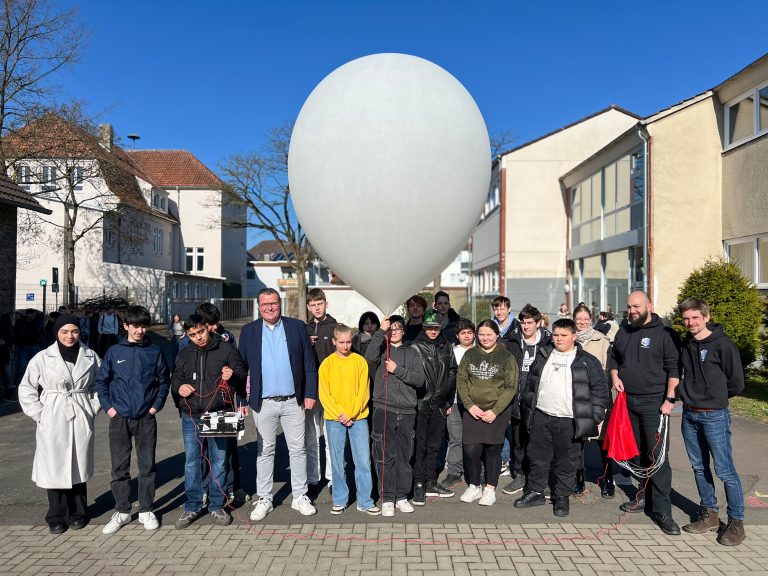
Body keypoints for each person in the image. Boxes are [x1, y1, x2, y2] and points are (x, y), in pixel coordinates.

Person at [514, 318, 609, 517]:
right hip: (542, 415)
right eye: (556, 334)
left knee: (566, 461)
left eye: (564, 335)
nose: (558, 339)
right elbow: (531, 382)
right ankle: (535, 492)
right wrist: (526, 406)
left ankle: (562, 497)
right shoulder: (544, 354)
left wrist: (595, 416)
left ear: (574, 337)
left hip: (570, 420)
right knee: (537, 457)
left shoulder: (587, 361)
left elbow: (600, 391)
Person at [238, 288, 318, 521]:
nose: (269, 308)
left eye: (273, 303)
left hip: (294, 401)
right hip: (264, 403)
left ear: (279, 304)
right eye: (265, 305)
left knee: (298, 449)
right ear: (259, 306)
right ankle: (264, 498)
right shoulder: (249, 331)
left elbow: (308, 363)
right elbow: (241, 368)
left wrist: (310, 392)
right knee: (264, 451)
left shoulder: (296, 327)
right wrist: (242, 399)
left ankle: (300, 496)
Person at [18, 313, 101, 534]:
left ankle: (79, 513)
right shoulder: (42, 358)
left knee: (78, 463)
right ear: (56, 333)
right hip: (53, 414)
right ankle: (56, 515)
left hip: (80, 411)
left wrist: (92, 408)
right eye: (64, 331)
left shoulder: (91, 356)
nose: (69, 336)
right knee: (54, 465)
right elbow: (26, 388)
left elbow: (101, 385)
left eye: (73, 331)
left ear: (79, 331)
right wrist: (39, 413)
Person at [608, 290, 681, 535]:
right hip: (628, 403)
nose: (632, 311)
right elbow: (613, 357)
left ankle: (662, 510)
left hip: (655, 404)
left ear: (649, 305)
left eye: (636, 306)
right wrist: (615, 376)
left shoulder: (666, 334)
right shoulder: (624, 331)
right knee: (636, 455)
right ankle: (643, 497)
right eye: (629, 307)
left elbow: (674, 368)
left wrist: (670, 399)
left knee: (657, 458)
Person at [96, 305, 171, 535]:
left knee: (147, 466)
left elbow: (163, 382)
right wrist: (109, 409)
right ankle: (122, 509)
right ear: (126, 326)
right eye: (135, 326)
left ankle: (146, 509)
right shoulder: (114, 352)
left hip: (145, 418)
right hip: (118, 418)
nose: (140, 331)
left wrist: (154, 407)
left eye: (143, 326)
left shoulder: (154, 352)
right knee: (119, 467)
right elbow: (102, 382)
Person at [677, 298, 746, 546]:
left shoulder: (723, 345)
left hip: (714, 415)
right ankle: (710, 514)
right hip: (689, 414)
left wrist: (715, 398)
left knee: (725, 471)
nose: (690, 322)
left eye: (695, 317)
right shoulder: (685, 345)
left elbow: (736, 382)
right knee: (698, 467)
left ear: (706, 317)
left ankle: (736, 522)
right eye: (686, 318)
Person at [171, 314, 247, 529]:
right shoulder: (184, 353)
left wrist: (233, 374)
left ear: (208, 328)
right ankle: (193, 505)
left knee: (220, 460)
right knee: (192, 462)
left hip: (219, 414)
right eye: (192, 335)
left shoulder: (227, 349)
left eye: (201, 332)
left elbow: (242, 375)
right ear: (188, 335)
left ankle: (216, 505)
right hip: (191, 416)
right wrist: (179, 388)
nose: (198, 338)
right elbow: (175, 378)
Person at [364, 315, 425, 517]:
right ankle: (387, 498)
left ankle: (401, 496)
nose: (395, 331)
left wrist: (397, 370)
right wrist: (381, 331)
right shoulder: (382, 349)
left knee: (404, 456)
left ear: (404, 331)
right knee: (384, 455)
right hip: (384, 408)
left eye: (398, 328)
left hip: (407, 410)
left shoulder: (413, 353)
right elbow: (369, 357)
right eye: (392, 329)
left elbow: (419, 380)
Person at [318, 324, 380, 515]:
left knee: (362, 460)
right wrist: (340, 414)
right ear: (334, 341)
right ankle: (339, 499)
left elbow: (364, 391)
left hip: (358, 417)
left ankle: (365, 501)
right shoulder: (327, 364)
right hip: (335, 418)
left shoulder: (359, 361)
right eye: (342, 342)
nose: (346, 346)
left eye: (348, 342)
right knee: (337, 461)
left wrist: (351, 414)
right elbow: (324, 394)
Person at [456, 320, 519, 507]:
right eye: (482, 334)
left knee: (493, 451)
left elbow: (511, 386)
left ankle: (490, 489)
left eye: (489, 334)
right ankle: (474, 486)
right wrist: (469, 405)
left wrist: (495, 410)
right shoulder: (470, 354)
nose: (485, 338)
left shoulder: (506, 357)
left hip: (496, 412)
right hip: (472, 410)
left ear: (497, 335)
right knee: (471, 450)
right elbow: (462, 380)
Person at [501, 304, 551, 496]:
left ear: (538, 323)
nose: (525, 326)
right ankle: (520, 475)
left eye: (530, 322)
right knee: (519, 443)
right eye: (523, 322)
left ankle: (539, 479)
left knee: (539, 443)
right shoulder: (512, 343)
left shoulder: (548, 343)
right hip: (517, 401)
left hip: (540, 402)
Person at [409, 310, 457, 504]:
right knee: (420, 446)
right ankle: (419, 483)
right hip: (421, 404)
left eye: (436, 328)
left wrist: (446, 399)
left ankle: (430, 481)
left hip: (439, 404)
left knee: (434, 446)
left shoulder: (446, 346)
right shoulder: (414, 347)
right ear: (423, 327)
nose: (433, 331)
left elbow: (453, 370)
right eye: (429, 328)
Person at [572, 305, 614, 497]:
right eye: (578, 319)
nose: (582, 322)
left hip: (598, 396)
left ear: (591, 319)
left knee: (602, 440)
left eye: (585, 319)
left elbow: (609, 370)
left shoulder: (601, 340)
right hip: (576, 397)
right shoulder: (569, 339)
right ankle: (579, 478)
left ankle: (607, 477)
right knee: (577, 440)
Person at [305, 288, 337, 492]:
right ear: (308, 307)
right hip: (310, 390)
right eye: (313, 305)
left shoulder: (335, 327)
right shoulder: (304, 328)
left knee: (331, 436)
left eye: (320, 304)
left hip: (330, 390)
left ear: (326, 304)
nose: (317, 308)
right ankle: (312, 478)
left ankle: (334, 477)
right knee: (311, 437)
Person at [442, 318, 475, 487]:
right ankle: (454, 472)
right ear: (457, 335)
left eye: (470, 332)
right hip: (454, 402)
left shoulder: (479, 351)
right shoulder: (451, 352)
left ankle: (476, 472)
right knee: (455, 439)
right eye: (463, 333)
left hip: (475, 404)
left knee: (474, 440)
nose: (467, 336)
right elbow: (446, 380)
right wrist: (447, 403)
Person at [13, 308, 42, 387]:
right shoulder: (20, 322)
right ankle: (19, 382)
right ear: (27, 314)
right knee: (22, 365)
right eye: (31, 314)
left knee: (35, 365)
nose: (33, 315)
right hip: (23, 346)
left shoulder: (36, 322)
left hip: (34, 345)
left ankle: (33, 382)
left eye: (34, 314)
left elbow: (40, 332)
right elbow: (17, 333)